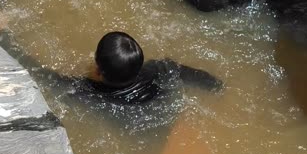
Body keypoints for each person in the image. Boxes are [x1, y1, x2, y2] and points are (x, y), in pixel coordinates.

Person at [69, 31, 224, 104]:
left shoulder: (93, 93)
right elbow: (191, 75)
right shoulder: (155, 69)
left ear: (97, 70)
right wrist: (215, 85)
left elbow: (55, 81)